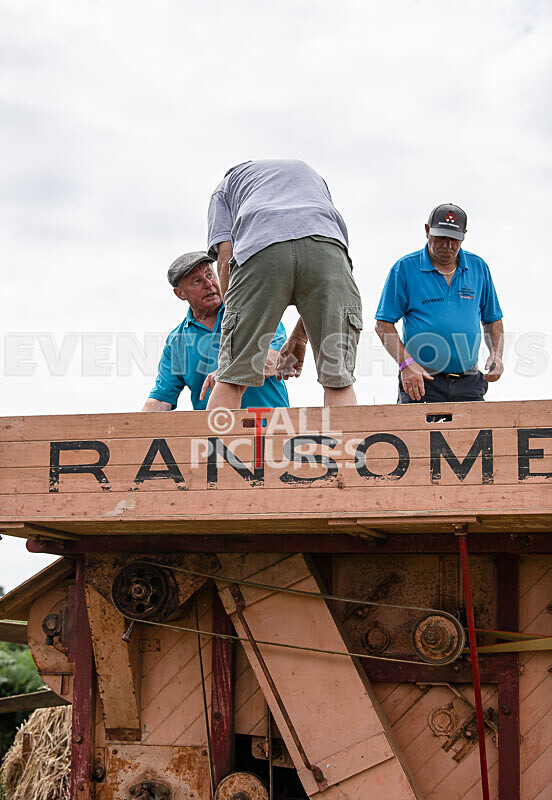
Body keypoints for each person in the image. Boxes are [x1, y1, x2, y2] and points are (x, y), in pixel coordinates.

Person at [205, 159, 363, 410]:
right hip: (327, 250)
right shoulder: (310, 174)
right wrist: (299, 338)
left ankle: (216, 437)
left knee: (231, 379)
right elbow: (323, 280)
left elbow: (225, 260)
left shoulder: (225, 187)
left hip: (260, 248)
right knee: (338, 381)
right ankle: (345, 437)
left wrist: (236, 326)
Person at [375, 204, 504, 403]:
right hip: (421, 382)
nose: (447, 245)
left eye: (454, 239)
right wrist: (406, 364)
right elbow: (383, 324)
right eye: (441, 237)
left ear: (464, 235)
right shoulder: (405, 268)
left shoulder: (478, 267)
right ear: (427, 230)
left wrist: (496, 355)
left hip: (469, 382)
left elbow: (493, 320)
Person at [142, 252, 289, 412]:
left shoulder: (253, 312)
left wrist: (226, 375)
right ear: (180, 293)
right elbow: (161, 399)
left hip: (270, 424)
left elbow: (275, 359)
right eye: (197, 281)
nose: (208, 284)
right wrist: (131, 426)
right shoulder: (176, 341)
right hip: (215, 427)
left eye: (210, 275)